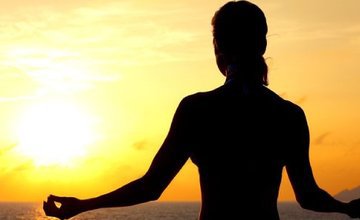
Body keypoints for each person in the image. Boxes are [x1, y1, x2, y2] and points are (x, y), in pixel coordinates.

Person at [43, 1, 360, 219]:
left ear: (217, 48)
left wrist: (83, 206)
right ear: (263, 45)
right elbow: (307, 197)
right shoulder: (288, 116)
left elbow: (152, 186)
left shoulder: (197, 110)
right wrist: (348, 209)